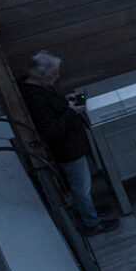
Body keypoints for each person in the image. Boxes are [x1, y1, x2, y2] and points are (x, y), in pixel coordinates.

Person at [18, 51, 118, 235]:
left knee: (81, 185)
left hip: (71, 144)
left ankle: (88, 211)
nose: (57, 76)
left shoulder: (36, 88)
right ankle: (91, 223)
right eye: (54, 73)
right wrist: (71, 112)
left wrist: (64, 102)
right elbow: (49, 129)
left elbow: (51, 110)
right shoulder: (35, 97)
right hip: (67, 149)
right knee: (81, 187)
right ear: (39, 74)